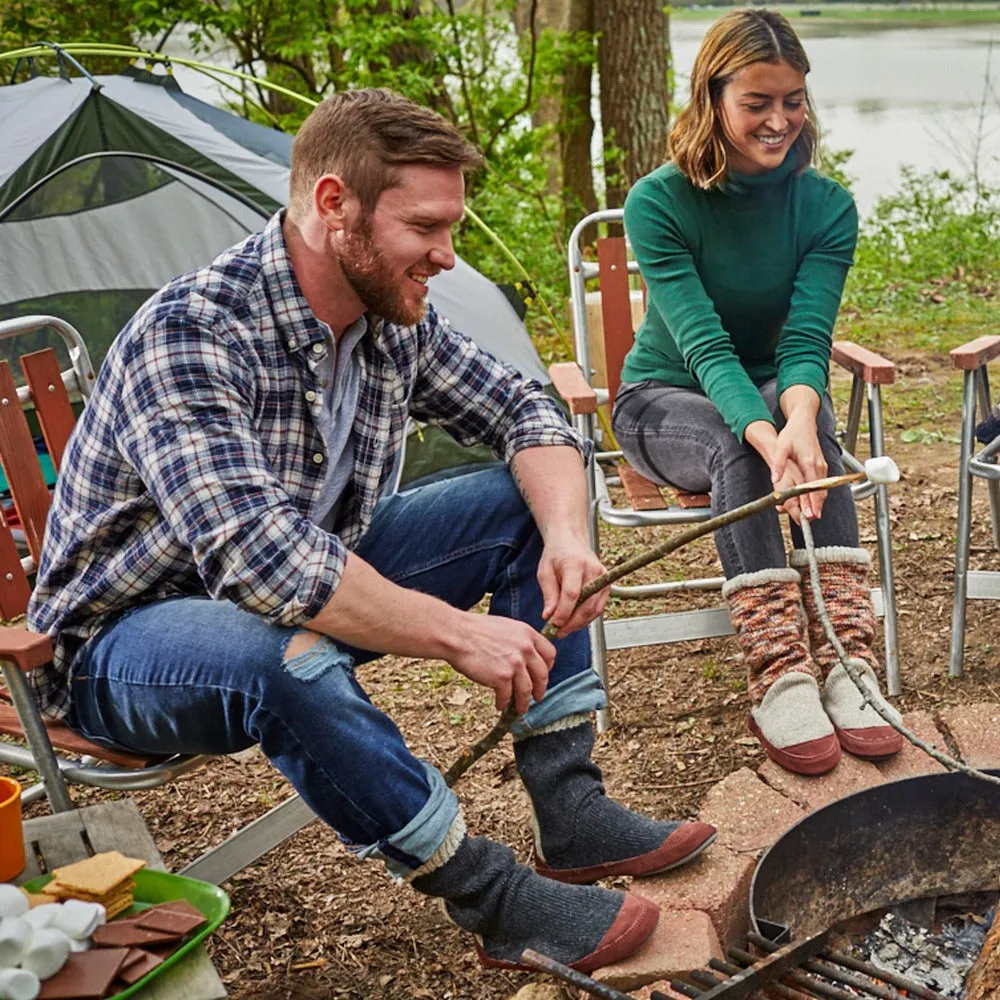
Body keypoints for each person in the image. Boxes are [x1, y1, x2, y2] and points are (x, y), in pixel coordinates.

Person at [27, 88, 716, 974]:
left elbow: (526, 409)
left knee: (524, 514)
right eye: (425, 228)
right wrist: (458, 632)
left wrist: (570, 543)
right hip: (125, 647)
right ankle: (495, 901)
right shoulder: (194, 332)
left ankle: (574, 814)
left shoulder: (388, 318)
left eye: (453, 229)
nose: (446, 256)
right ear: (330, 205)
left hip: (305, 581)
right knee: (282, 655)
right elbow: (260, 562)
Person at [612, 9, 903, 777]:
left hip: (771, 383)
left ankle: (847, 661)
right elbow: (704, 346)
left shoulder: (826, 207)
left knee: (817, 428)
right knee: (735, 446)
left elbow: (805, 339)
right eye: (757, 103)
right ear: (712, 97)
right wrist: (767, 432)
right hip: (663, 400)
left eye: (794, 100)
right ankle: (781, 669)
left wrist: (801, 415)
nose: (779, 120)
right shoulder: (660, 202)